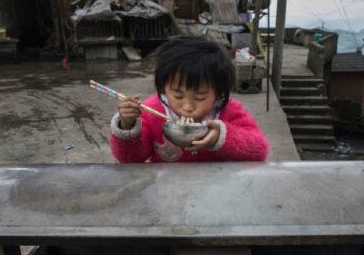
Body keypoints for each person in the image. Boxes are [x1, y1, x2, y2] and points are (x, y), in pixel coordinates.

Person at [110, 36, 269, 162]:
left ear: (219, 92)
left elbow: (260, 150)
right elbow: (130, 159)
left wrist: (221, 137)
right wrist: (127, 125)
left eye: (200, 97)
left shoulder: (229, 110)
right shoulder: (151, 111)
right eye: (178, 95)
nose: (187, 107)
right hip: (166, 191)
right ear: (163, 87)